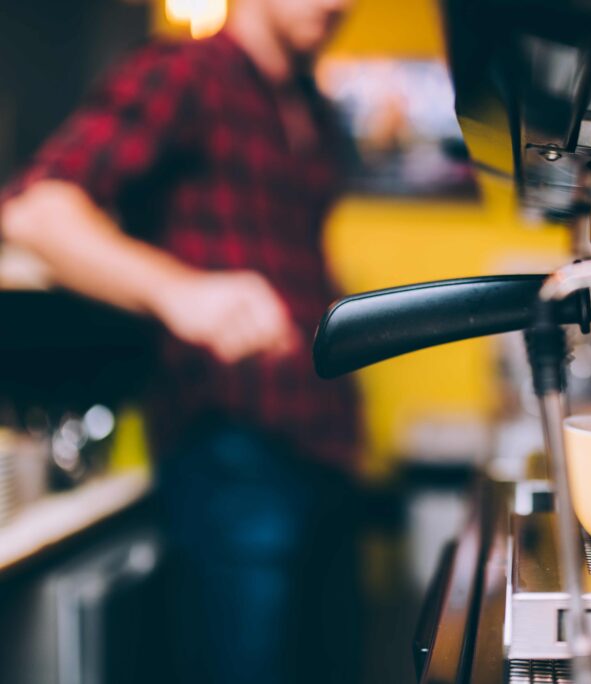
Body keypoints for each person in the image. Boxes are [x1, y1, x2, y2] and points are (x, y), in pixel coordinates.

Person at [0, 1, 363, 682]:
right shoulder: (186, 72)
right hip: (232, 446)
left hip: (323, 440)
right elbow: (36, 210)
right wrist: (179, 290)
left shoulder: (311, 107)